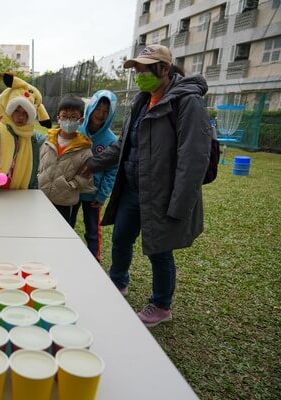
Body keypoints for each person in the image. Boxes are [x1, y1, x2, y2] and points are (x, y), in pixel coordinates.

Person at [83, 44, 211, 327]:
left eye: (145, 69)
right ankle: (117, 282)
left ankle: (162, 304)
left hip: (162, 194)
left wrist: (179, 204)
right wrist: (92, 162)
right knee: (121, 239)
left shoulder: (187, 102)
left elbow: (193, 158)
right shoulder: (142, 101)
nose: (139, 75)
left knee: (159, 249)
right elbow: (124, 145)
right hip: (133, 188)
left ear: (164, 69)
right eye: (137, 70)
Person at [75, 90, 118, 262]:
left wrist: (102, 195)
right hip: (72, 189)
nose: (100, 114)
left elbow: (112, 170)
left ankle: (94, 259)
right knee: (66, 226)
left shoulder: (111, 140)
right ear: (91, 107)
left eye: (106, 111)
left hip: (93, 193)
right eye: (98, 108)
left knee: (92, 230)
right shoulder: (77, 130)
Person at [38, 96, 95, 227]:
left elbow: (86, 175)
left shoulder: (85, 149)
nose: (68, 121)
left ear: (81, 120)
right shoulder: (47, 140)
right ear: (58, 118)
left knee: (60, 232)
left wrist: (72, 185)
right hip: (41, 196)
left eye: (73, 117)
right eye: (64, 116)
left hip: (65, 201)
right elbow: (38, 161)